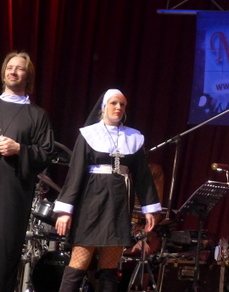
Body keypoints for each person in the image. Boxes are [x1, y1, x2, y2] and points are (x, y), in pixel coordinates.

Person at [53, 89, 162, 292]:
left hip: (118, 206)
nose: (118, 107)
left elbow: (143, 176)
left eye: (122, 104)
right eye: (113, 103)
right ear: (103, 107)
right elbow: (75, 173)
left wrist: (149, 208)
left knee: (110, 269)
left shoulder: (133, 137)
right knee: (78, 264)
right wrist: (65, 211)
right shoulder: (88, 134)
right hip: (91, 205)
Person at [0, 51, 54, 291]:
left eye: (19, 68)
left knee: (5, 254)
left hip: (12, 195)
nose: (13, 71)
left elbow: (47, 153)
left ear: (28, 76)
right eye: (9, 67)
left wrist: (19, 149)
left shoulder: (37, 115)